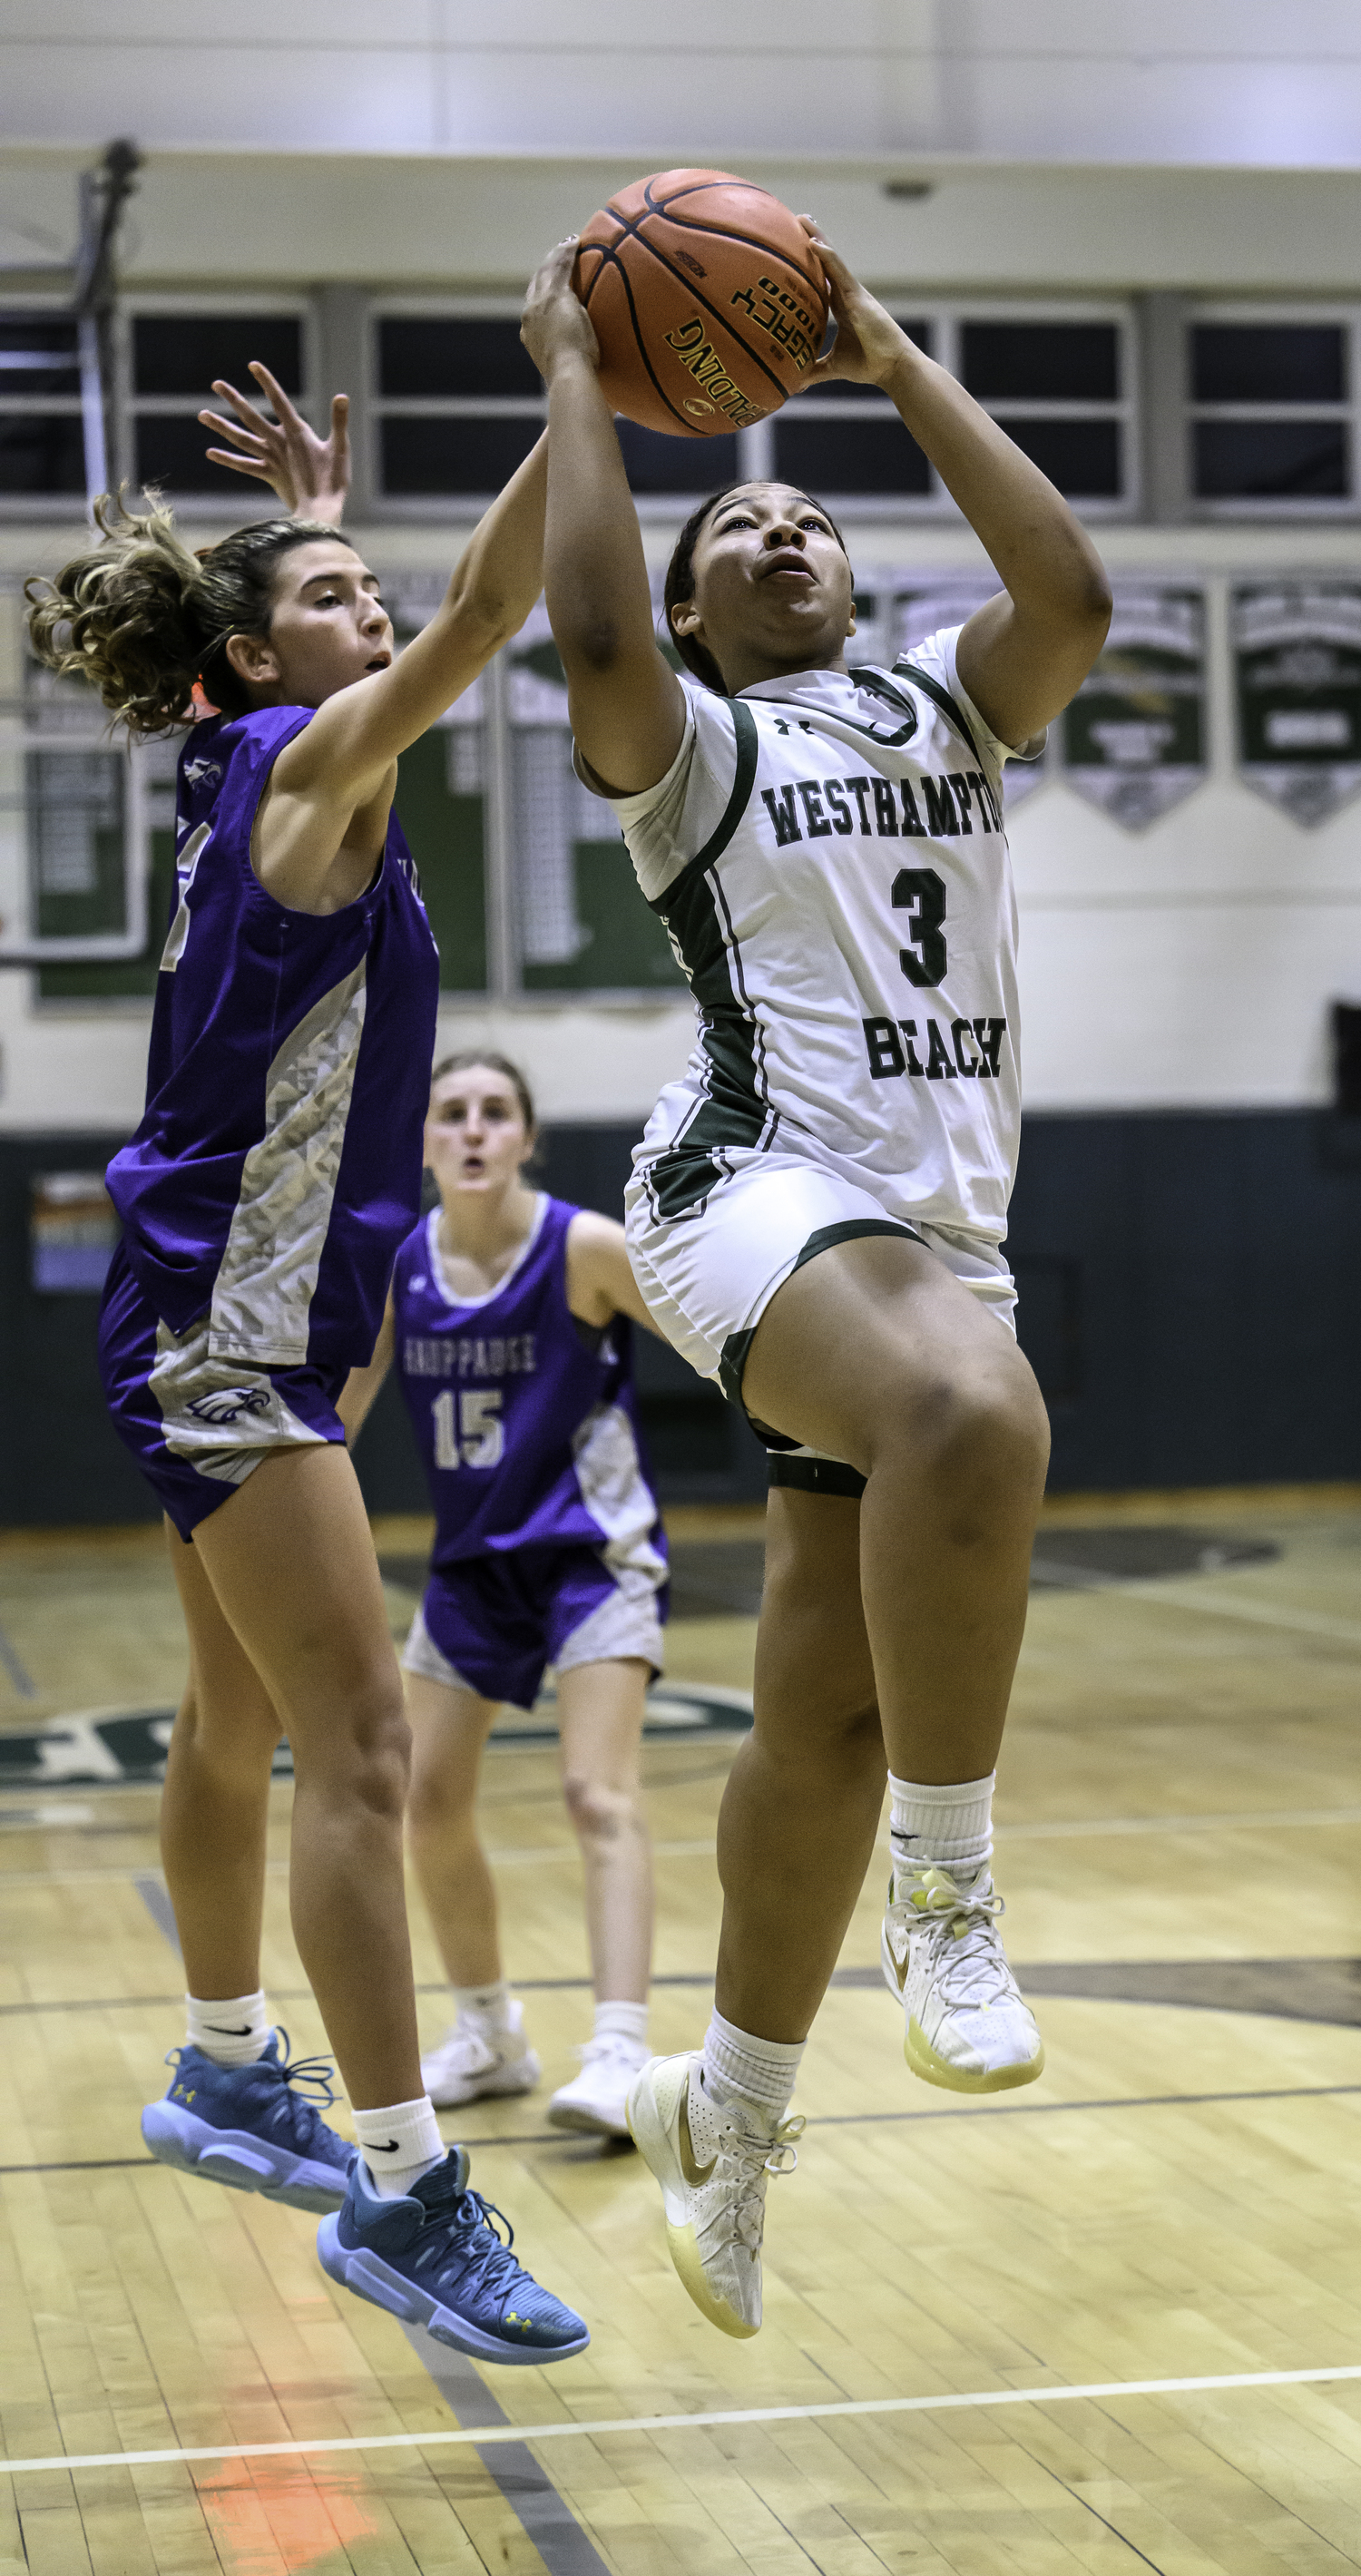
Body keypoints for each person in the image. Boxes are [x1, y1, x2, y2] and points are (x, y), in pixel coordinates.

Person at [521, 220, 1112, 2337]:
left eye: (812, 511)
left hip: (931, 1235)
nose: (784, 525)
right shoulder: (690, 743)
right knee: (970, 1413)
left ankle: (733, 2129)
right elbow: (587, 629)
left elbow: (1072, 597)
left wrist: (887, 353)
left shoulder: (951, 701)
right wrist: (579, 372)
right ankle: (947, 1903)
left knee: (825, 1714)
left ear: (856, 578)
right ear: (695, 602)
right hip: (743, 1188)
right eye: (738, 520)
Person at [25, 363, 588, 2363]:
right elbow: (492, 615)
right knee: (355, 1746)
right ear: (261, 662)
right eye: (346, 594)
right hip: (229, 1342)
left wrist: (321, 535)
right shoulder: (301, 765)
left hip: (229, 1325)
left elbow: (385, 630)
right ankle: (405, 2187)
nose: (388, 607)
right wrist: (582, 376)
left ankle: (219, 2060)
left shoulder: (259, 762)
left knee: (231, 1725)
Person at [341, 1051, 667, 2138]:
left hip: (592, 1555)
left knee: (595, 1793)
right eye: (452, 1115)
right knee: (424, 1803)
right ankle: (490, 2032)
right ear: (425, 1142)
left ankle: (621, 2050)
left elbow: (730, 1351)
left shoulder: (584, 1247)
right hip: (473, 1566)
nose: (474, 1131)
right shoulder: (398, 1268)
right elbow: (335, 1416)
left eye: (496, 1114)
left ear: (528, 1138)